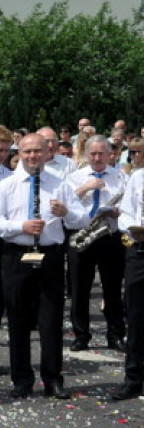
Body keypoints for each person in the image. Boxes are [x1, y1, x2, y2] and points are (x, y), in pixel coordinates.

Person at [0, 133, 87, 399]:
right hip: (17, 255)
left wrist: (67, 213)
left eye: (37, 151)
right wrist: (21, 226)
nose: (32, 156)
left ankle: (53, 379)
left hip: (49, 255)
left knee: (51, 320)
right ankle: (21, 380)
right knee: (18, 319)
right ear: (20, 152)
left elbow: (82, 219)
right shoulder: (7, 185)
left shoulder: (59, 184)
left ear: (46, 152)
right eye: (27, 152)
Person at [66, 136, 126, 352]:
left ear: (110, 154)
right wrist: (85, 188)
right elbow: (65, 204)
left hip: (110, 235)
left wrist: (120, 211)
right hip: (82, 235)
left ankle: (115, 334)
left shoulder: (120, 177)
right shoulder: (75, 177)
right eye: (93, 153)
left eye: (102, 153)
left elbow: (129, 204)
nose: (98, 157)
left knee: (112, 289)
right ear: (86, 154)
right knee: (79, 289)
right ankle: (81, 335)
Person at [113, 171, 144, 401]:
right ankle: (133, 379)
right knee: (136, 317)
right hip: (140, 251)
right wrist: (132, 228)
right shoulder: (138, 177)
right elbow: (125, 213)